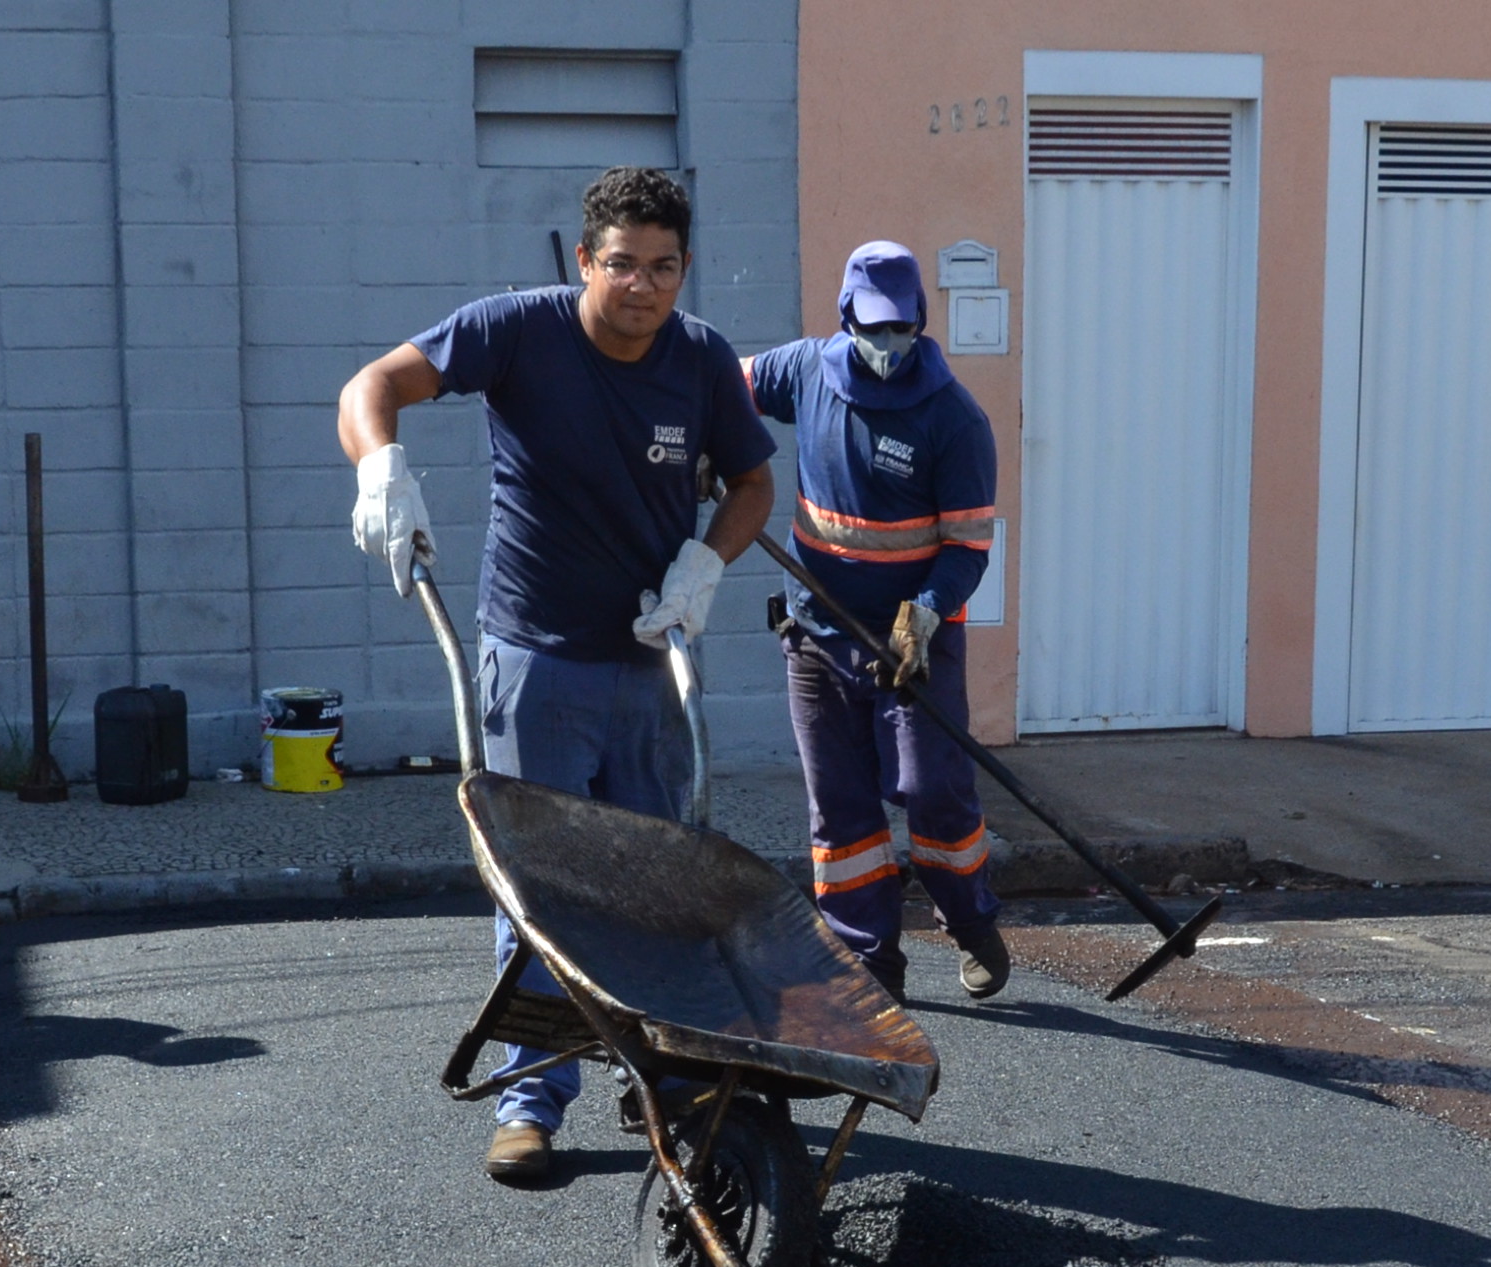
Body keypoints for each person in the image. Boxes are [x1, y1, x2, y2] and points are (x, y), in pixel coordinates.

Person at [336, 165, 777, 1185]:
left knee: (662, 884)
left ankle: (664, 1075)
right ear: (587, 260)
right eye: (622, 265)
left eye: (664, 268)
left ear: (685, 268)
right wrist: (380, 468)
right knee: (541, 891)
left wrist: (708, 560)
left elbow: (753, 481)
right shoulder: (518, 331)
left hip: (652, 662)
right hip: (536, 664)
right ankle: (531, 1102)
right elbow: (376, 385)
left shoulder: (702, 360)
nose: (643, 288)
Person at [747, 242, 1008, 1003]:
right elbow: (718, 389)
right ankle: (869, 959)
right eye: (872, 329)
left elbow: (966, 547)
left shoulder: (954, 419)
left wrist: (926, 612)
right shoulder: (804, 371)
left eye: (900, 329)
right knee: (843, 809)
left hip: (910, 643)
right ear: (846, 319)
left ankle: (969, 919)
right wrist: (708, 447)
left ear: (920, 322)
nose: (886, 345)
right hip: (817, 634)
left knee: (931, 790)